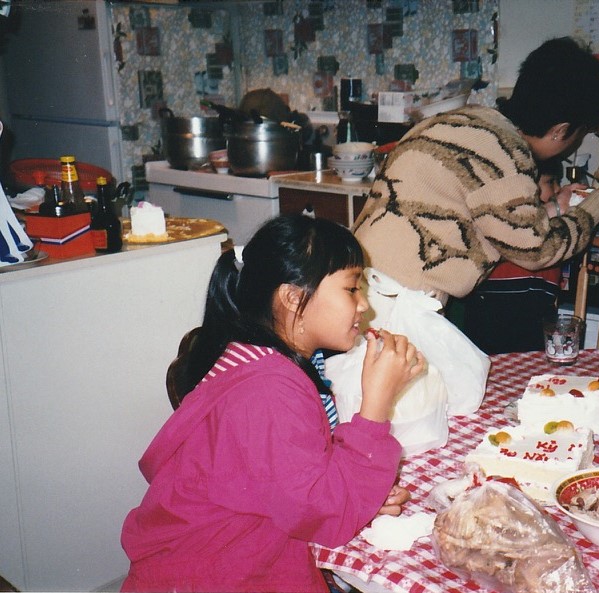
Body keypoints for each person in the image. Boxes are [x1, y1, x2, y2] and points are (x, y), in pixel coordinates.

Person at [120, 214, 426, 593]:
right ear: (293, 297)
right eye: (351, 288)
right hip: (216, 579)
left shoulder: (263, 360)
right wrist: (377, 404)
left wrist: (357, 495)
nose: (364, 305)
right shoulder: (269, 390)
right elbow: (326, 517)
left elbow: (295, 485)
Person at [353, 37, 599, 313]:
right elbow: (540, 250)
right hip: (395, 306)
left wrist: (555, 207)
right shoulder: (505, 152)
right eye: (580, 134)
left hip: (361, 288)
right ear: (561, 130)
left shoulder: (467, 121)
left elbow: (497, 218)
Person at [457, 158, 587, 353]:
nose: (557, 188)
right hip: (492, 312)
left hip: (536, 315)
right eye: (550, 182)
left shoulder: (552, 226)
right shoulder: (506, 218)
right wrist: (556, 207)